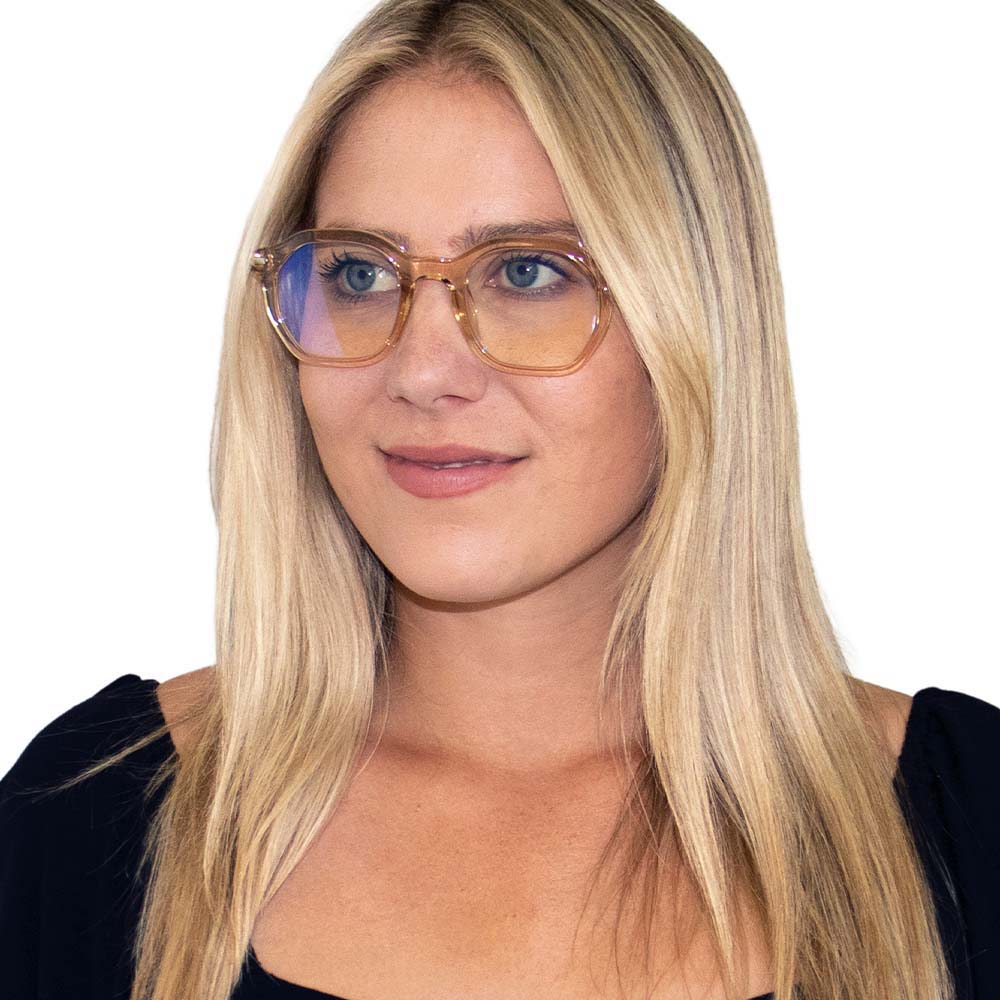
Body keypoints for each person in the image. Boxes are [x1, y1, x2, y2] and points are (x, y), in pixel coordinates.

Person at [1, 1, 997, 999]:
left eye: (527, 271)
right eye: (359, 272)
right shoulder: (92, 820)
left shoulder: (971, 824)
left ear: (694, 316)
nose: (422, 372)